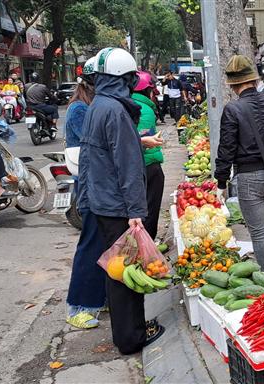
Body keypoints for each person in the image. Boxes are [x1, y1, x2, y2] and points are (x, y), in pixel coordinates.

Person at [78, 47, 163, 354]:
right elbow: (127, 164)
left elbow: (93, 154)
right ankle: (131, 337)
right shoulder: (115, 110)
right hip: (117, 205)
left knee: (116, 270)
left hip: (102, 201)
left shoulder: (98, 105)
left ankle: (127, 331)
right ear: (124, 79)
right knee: (126, 273)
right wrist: (137, 211)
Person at [214, 55, 264, 278]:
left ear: (234, 84)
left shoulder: (233, 109)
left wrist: (221, 180)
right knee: (260, 225)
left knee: (258, 230)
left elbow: (226, 148)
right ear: (253, 80)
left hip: (249, 178)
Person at [64, 58, 106, 329]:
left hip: (100, 185)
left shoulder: (92, 106)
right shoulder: (80, 109)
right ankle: (78, 307)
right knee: (90, 247)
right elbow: (96, 142)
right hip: (90, 184)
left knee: (101, 246)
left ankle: (98, 299)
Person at [131, 71, 166, 239]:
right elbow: (144, 138)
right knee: (150, 210)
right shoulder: (145, 110)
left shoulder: (126, 104)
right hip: (148, 165)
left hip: (131, 168)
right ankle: (147, 245)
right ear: (148, 91)